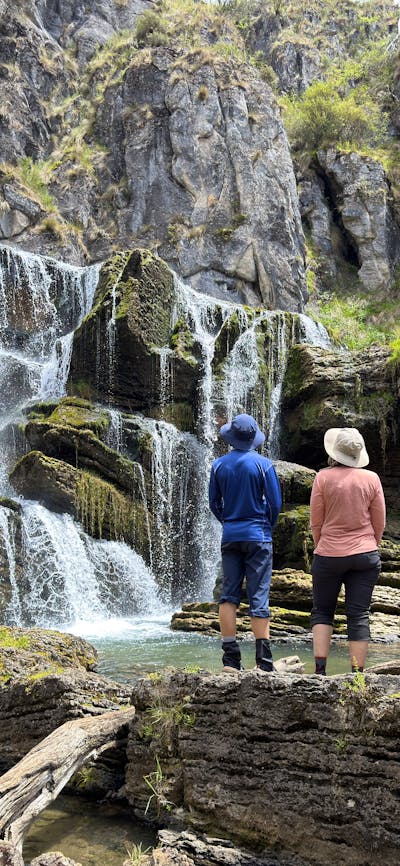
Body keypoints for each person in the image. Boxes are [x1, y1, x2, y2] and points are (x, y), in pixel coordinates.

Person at [208, 413, 282, 673]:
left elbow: (214, 503)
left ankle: (230, 660)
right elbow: (275, 503)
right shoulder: (264, 465)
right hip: (258, 535)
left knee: (228, 595)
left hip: (231, 535)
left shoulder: (218, 465)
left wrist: (228, 521)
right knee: (258, 594)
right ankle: (264, 662)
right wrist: (266, 524)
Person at [310, 427, 386, 676]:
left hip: (328, 553)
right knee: (359, 614)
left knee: (322, 611)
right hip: (365, 554)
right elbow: (379, 522)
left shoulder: (322, 477)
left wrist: (321, 544)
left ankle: (320, 673)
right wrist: (370, 545)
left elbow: (316, 521)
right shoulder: (372, 478)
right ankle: (357, 677)